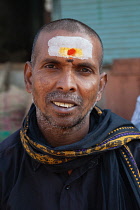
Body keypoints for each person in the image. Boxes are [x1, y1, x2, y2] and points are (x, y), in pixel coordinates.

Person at [0, 18, 140, 210]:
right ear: (29, 78)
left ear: (100, 87)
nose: (67, 84)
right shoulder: (5, 163)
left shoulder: (134, 157)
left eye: (84, 70)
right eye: (51, 66)